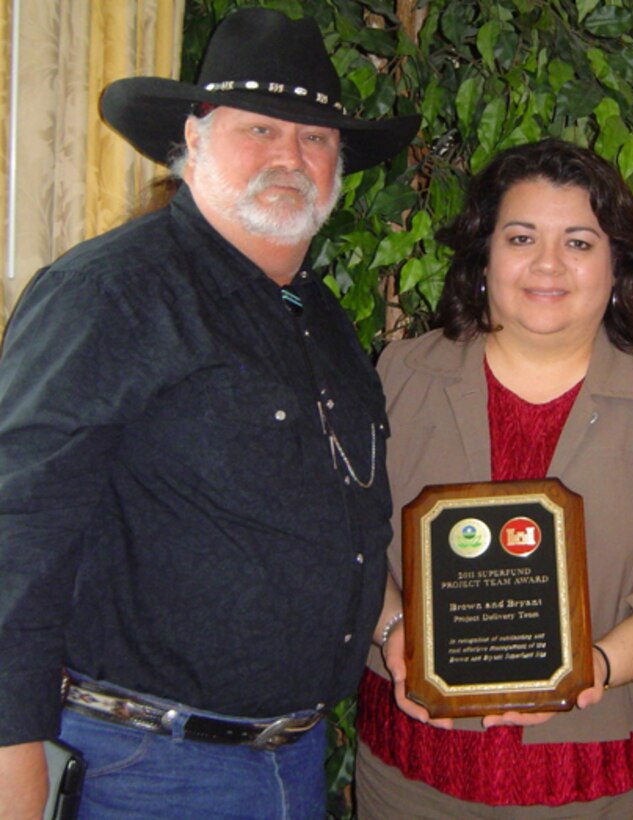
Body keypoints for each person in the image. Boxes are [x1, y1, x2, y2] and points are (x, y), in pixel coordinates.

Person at [0, 8, 419, 817]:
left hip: (296, 759)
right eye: (260, 129)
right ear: (193, 139)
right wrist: (10, 751)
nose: (291, 157)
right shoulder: (111, 293)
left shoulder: (322, 318)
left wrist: (388, 625)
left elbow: (331, 520)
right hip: (146, 769)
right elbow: (18, 531)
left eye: (316, 138)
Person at [354, 139, 633, 817]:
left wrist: (595, 666)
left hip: (592, 782)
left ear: (614, 265)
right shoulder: (400, 376)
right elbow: (343, 540)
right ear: (485, 256)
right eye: (520, 237)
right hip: (414, 775)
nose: (547, 264)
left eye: (578, 242)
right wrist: (396, 631)